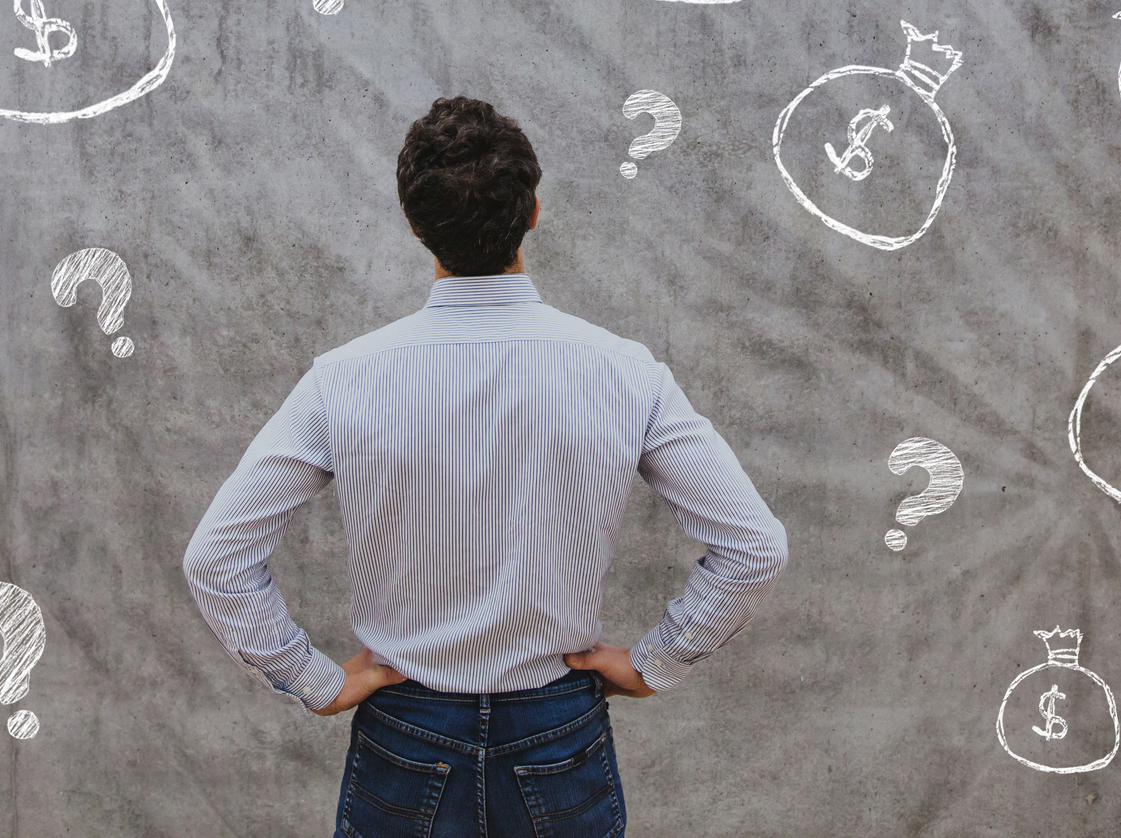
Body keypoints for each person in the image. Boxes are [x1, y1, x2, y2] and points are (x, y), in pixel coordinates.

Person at [184, 96, 788, 837]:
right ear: (532, 211)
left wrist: (312, 679)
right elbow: (753, 548)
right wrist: (655, 661)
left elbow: (217, 557)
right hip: (556, 731)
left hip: (404, 733)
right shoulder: (624, 372)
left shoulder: (343, 378)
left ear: (414, 224)